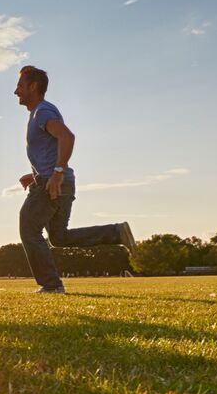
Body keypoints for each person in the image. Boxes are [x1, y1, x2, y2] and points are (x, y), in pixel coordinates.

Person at [13, 65, 136, 294]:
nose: (16, 91)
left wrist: (56, 173)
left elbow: (67, 136)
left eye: (20, 85)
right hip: (57, 181)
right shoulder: (40, 112)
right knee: (59, 237)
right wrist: (36, 174)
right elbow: (51, 149)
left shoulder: (42, 112)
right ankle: (116, 232)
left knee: (29, 229)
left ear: (33, 86)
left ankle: (51, 285)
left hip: (52, 184)